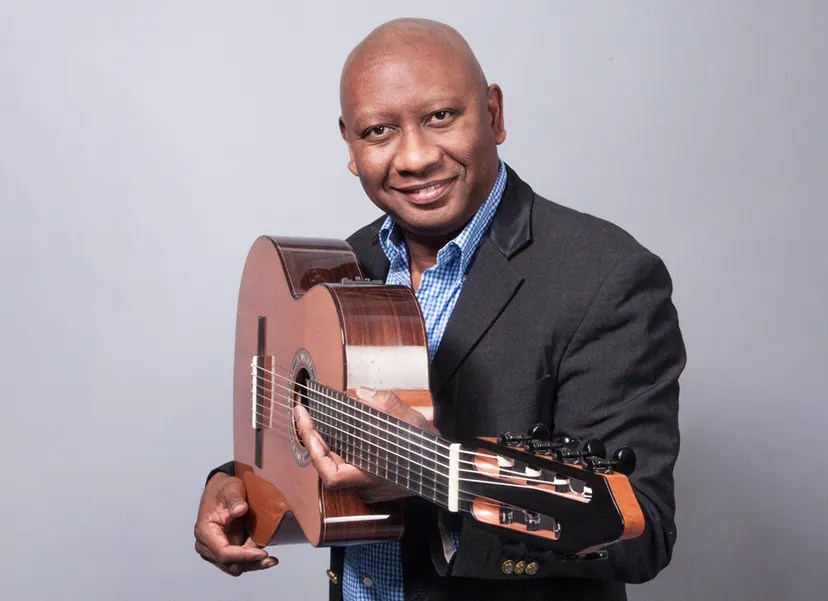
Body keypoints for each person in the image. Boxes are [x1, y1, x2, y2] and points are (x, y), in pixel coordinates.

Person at [194, 17, 686, 601]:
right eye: (379, 130)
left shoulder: (606, 278)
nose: (416, 157)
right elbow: (304, 421)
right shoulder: (341, 268)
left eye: (440, 117)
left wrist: (429, 473)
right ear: (350, 146)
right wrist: (232, 481)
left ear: (495, 115)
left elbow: (640, 530)